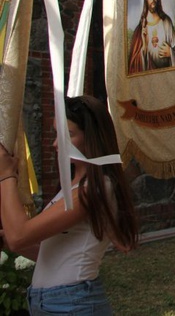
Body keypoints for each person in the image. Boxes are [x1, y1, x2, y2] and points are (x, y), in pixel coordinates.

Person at [0, 95, 139, 315]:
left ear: (91, 137)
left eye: (68, 135)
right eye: (57, 134)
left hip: (72, 303)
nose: (56, 144)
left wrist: (6, 175)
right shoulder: (74, 187)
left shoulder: (94, 188)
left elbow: (19, 234)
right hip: (55, 302)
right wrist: (8, 241)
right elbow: (49, 253)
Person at [128, 0, 175, 74]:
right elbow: (133, 67)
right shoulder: (140, 29)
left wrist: (171, 53)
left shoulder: (166, 22)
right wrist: (144, 47)